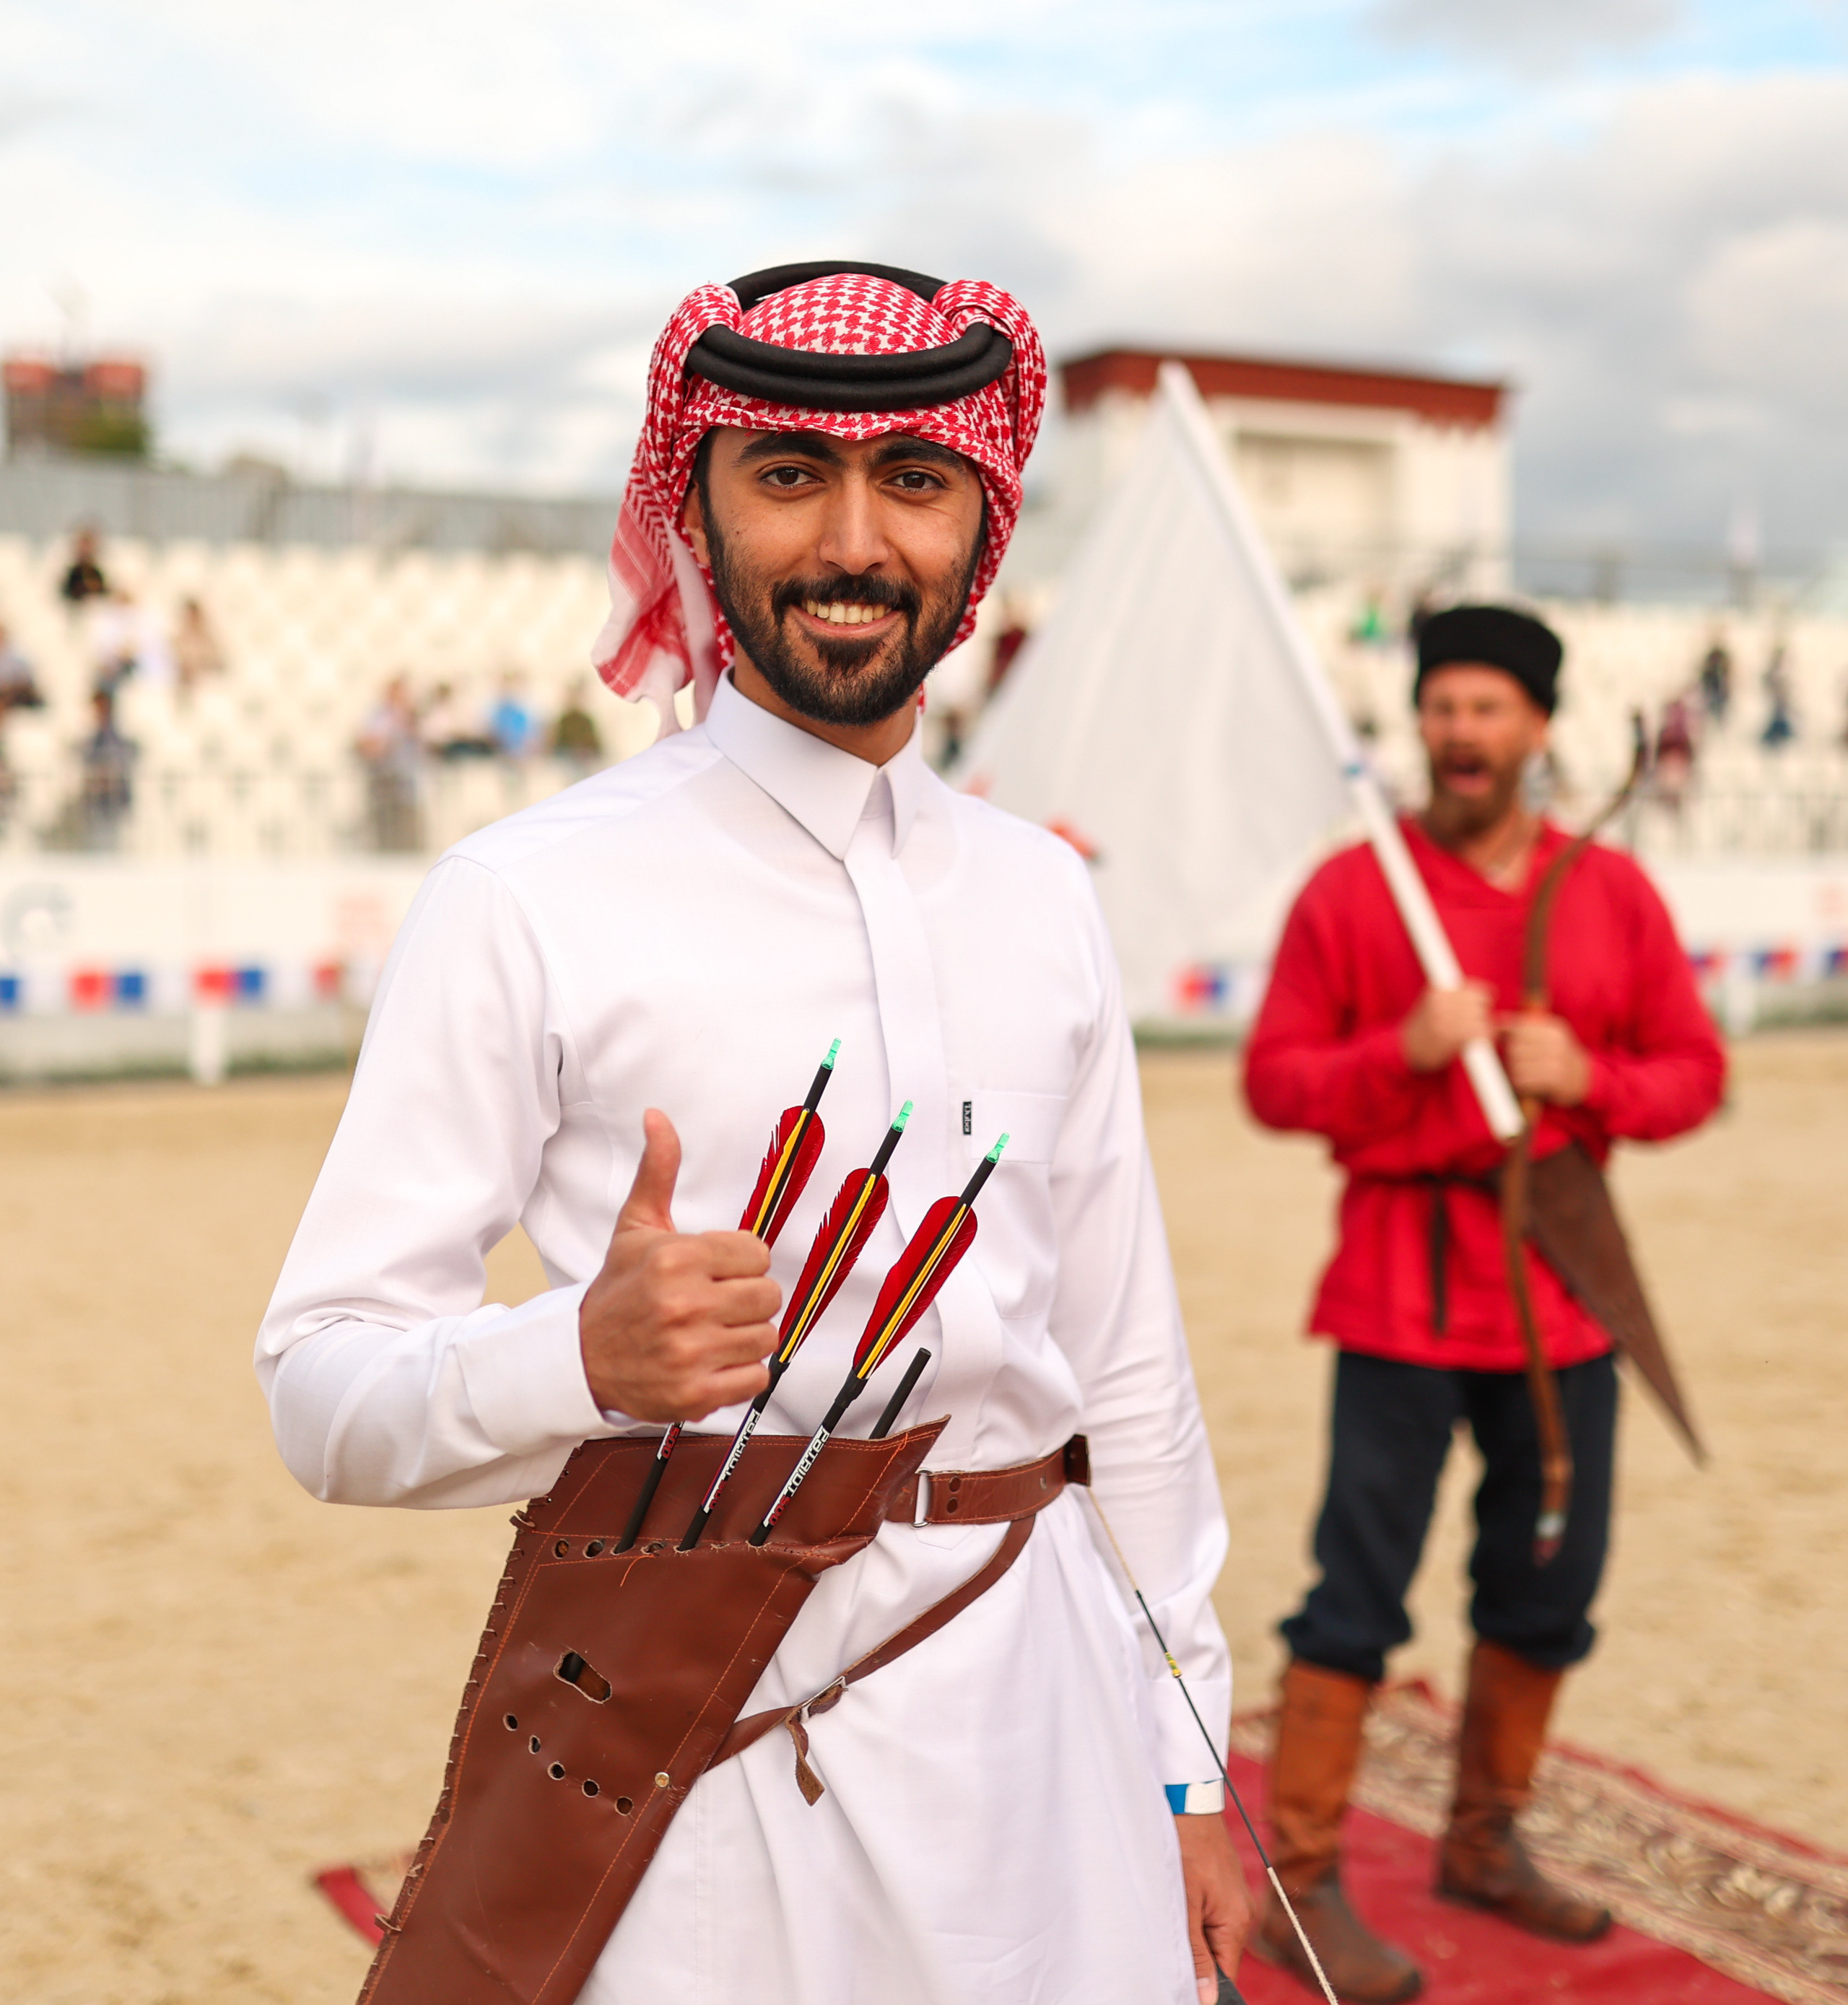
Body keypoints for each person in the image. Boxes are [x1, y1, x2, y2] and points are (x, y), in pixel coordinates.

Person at [258, 261, 1248, 2005]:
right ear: (694, 509)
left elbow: (1127, 1369)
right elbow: (319, 1387)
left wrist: (1188, 1761)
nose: (853, 540)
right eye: (786, 475)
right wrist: (574, 1356)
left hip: (1052, 1709)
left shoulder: (1041, 892)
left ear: (982, 517)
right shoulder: (527, 893)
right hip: (709, 1747)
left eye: (911, 481)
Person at [1242, 605, 1725, 2002]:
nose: (1461, 734)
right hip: (1395, 1297)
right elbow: (1274, 1083)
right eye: (1441, 708)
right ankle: (1306, 1889)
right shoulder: (1353, 890)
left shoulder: (1609, 896)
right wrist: (1398, 1050)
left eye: (1488, 710)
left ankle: (1481, 1844)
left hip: (1556, 1306)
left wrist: (1589, 1079)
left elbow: (1688, 1077)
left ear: (1535, 729)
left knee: (1544, 1589)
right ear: (1420, 724)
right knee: (1353, 1600)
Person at [354, 673, 423, 852]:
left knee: (406, 819)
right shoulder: (378, 716)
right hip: (383, 776)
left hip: (406, 779)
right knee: (383, 820)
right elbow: (369, 745)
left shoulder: (411, 716)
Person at [172, 596, 226, 691]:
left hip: (205, 688)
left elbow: (217, 664)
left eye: (194, 616)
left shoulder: (208, 640)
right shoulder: (177, 641)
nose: (191, 620)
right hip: (182, 687)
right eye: (188, 616)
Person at [550, 676, 605, 768]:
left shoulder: (586, 721)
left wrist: (585, 752)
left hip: (585, 765)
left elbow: (597, 748)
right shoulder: (564, 721)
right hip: (567, 765)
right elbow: (556, 747)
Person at [59, 526, 108, 606]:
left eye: (89, 545)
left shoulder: (99, 571)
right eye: (83, 544)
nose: (85, 549)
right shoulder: (71, 572)